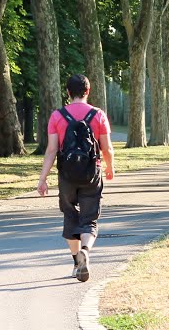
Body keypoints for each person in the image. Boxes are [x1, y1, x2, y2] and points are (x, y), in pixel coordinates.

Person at [38, 74, 115, 283]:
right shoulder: (98, 115)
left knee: (70, 216)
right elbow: (106, 147)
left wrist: (42, 179)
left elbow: (52, 150)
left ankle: (75, 262)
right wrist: (110, 167)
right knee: (89, 218)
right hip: (92, 173)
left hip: (66, 175)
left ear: (68, 92)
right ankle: (86, 250)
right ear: (88, 91)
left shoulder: (57, 116)